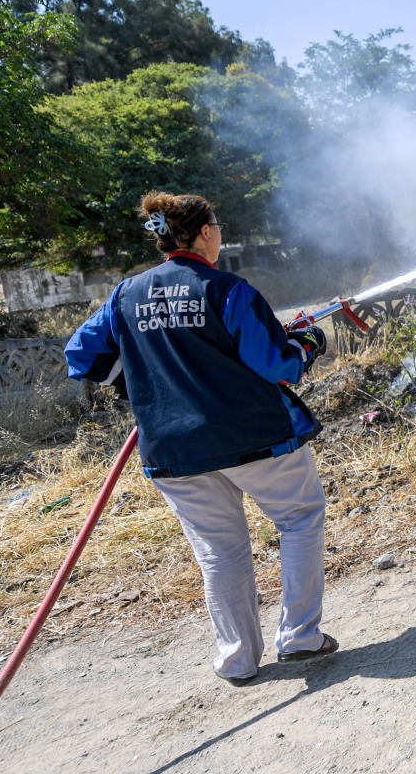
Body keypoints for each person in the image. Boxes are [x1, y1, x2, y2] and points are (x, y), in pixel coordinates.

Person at [66, 192, 338, 686]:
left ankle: (237, 659)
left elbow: (81, 356)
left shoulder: (125, 294)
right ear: (205, 232)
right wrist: (306, 344)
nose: (221, 233)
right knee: (299, 520)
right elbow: (276, 365)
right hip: (255, 438)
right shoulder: (227, 289)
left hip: (174, 451)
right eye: (217, 224)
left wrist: (137, 384)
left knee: (219, 549)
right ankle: (300, 636)